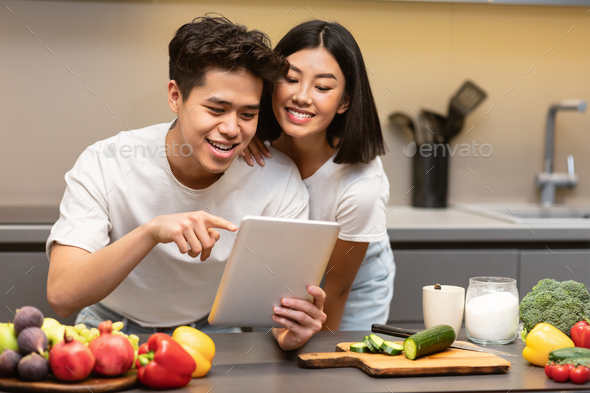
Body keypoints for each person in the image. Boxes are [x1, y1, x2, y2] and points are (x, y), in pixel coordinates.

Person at [46, 16, 326, 351]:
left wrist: (290, 333)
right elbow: (62, 296)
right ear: (176, 96)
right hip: (111, 326)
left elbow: (278, 304)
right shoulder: (107, 162)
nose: (232, 129)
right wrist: (151, 232)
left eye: (247, 115)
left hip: (214, 330)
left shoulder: (278, 179)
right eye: (216, 109)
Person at [242, 20, 395, 331]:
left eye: (323, 87)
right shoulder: (251, 146)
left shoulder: (362, 186)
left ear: (345, 101)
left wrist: (321, 355)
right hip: (284, 277)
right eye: (290, 79)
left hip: (348, 286)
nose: (302, 96)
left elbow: (336, 290)